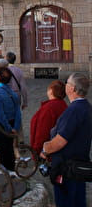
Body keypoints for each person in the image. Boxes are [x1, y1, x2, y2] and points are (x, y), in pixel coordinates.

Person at [41, 73, 92, 207]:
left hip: (67, 169)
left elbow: (60, 141)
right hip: (79, 166)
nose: (65, 86)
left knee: (67, 201)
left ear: (73, 89)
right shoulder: (86, 107)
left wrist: (45, 149)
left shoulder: (74, 111)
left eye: (67, 83)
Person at [0, 67, 21, 171]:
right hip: (11, 124)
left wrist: (8, 128)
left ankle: (5, 174)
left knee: (2, 152)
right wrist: (15, 127)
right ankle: (11, 171)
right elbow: (18, 111)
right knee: (9, 151)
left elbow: (0, 115)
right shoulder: (12, 92)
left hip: (1, 126)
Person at [30, 80, 67, 156]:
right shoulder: (63, 104)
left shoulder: (49, 108)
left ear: (51, 91)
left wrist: (37, 150)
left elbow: (42, 131)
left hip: (48, 151)